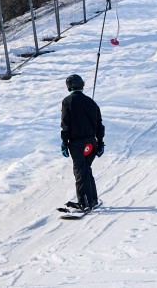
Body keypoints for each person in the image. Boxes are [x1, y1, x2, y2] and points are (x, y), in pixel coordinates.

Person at [60, 73, 105, 212]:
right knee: (86, 169)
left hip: (77, 143)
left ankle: (84, 203)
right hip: (91, 142)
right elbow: (99, 125)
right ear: (82, 85)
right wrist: (100, 143)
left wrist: (64, 143)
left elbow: (65, 125)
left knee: (80, 171)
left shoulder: (67, 102)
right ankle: (92, 199)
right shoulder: (91, 102)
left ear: (69, 87)